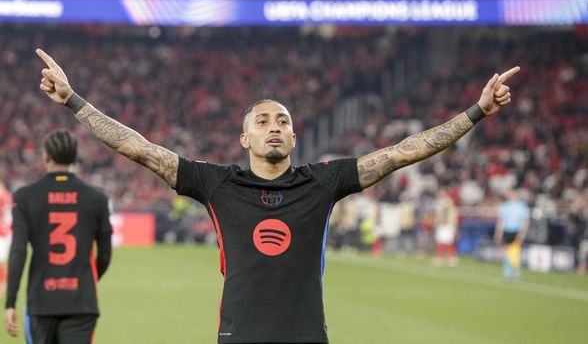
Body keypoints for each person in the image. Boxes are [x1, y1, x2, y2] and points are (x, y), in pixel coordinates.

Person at [36, 48, 518, 343]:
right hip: (239, 337)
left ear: (294, 137)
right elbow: (139, 148)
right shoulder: (216, 182)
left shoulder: (323, 182)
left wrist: (475, 112)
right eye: (262, 121)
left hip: (307, 337)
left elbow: (400, 153)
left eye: (283, 121)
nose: (274, 127)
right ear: (244, 139)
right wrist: (74, 101)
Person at [5, 129, 113, 344]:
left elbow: (18, 251)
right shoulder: (97, 198)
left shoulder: (25, 197)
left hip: (41, 301)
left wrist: (10, 302)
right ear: (74, 157)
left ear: (46, 156)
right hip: (81, 301)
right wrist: (85, 281)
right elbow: (104, 256)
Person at [494, 190, 530, 280]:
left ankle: (516, 272)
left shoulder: (522, 206)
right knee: (507, 251)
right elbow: (501, 221)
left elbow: (525, 221)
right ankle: (507, 272)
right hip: (507, 230)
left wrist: (523, 233)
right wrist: (498, 233)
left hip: (517, 230)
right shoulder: (504, 206)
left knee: (516, 252)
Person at [432, 188, 459, 267]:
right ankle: (440, 257)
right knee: (441, 241)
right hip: (442, 224)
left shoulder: (447, 202)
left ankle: (452, 257)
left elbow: (446, 213)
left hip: (447, 224)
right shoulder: (440, 202)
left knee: (448, 241)